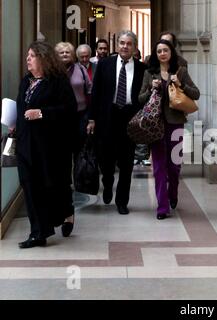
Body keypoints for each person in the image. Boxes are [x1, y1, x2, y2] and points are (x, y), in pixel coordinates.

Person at [14, 41, 77, 248]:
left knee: (50, 186)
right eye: (28, 56)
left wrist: (42, 113)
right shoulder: (26, 81)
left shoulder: (57, 81)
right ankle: (38, 233)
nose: (28, 59)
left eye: (32, 56)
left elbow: (68, 110)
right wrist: (15, 125)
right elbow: (21, 107)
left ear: (43, 58)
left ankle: (66, 211)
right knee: (29, 186)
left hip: (49, 147)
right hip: (25, 145)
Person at [139, 39, 199, 220]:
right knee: (158, 168)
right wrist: (151, 89)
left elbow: (196, 94)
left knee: (174, 167)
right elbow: (140, 99)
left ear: (171, 53)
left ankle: (173, 194)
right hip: (155, 125)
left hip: (175, 124)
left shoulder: (180, 72)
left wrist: (181, 84)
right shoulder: (150, 73)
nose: (162, 53)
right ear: (155, 55)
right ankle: (162, 207)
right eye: (159, 51)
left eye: (165, 50)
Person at [87, 31, 146, 215]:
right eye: (122, 43)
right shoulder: (105, 65)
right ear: (117, 45)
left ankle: (122, 201)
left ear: (134, 47)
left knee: (127, 162)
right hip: (107, 116)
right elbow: (95, 93)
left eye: (129, 43)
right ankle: (107, 182)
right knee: (105, 159)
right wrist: (92, 118)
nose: (124, 46)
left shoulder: (142, 68)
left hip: (129, 117)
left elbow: (143, 95)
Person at [54, 42, 92, 236]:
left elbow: (89, 93)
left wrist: (91, 119)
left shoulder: (81, 71)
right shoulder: (51, 73)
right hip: (58, 121)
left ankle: (77, 185)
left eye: (68, 51)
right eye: (60, 52)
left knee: (78, 156)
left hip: (79, 117)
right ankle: (65, 199)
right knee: (61, 164)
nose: (65, 54)